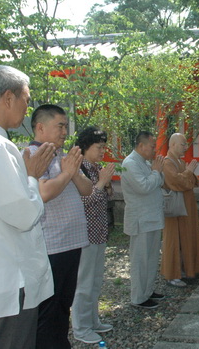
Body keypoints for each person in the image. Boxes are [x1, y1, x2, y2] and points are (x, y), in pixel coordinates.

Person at [0, 65, 55, 349]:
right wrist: (32, 175)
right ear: (8, 98)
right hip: (6, 283)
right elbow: (23, 215)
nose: (27, 108)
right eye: (26, 99)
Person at [28, 104, 92, 349]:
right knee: (49, 309)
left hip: (71, 243)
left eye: (66, 126)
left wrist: (72, 172)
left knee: (63, 305)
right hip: (51, 246)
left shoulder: (61, 157)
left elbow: (88, 190)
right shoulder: (33, 154)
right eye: (60, 126)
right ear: (41, 127)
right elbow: (43, 192)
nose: (65, 131)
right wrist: (67, 174)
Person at [71, 127, 115, 344]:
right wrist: (100, 183)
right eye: (99, 147)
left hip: (99, 232)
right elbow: (84, 202)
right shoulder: (78, 170)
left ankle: (93, 320)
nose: (102, 151)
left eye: (103, 147)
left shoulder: (95, 168)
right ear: (86, 147)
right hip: (85, 235)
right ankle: (80, 327)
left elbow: (105, 197)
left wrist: (106, 183)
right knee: (84, 282)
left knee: (96, 281)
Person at [121, 131, 166, 309]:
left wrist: (156, 172)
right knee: (140, 259)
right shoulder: (130, 163)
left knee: (152, 257)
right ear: (141, 146)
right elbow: (144, 186)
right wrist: (155, 172)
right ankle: (138, 297)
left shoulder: (145, 162)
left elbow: (159, 181)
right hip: (141, 219)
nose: (154, 149)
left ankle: (147, 290)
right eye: (152, 146)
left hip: (152, 217)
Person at [160, 133, 199, 287]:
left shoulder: (179, 161)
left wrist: (188, 174)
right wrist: (188, 172)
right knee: (173, 239)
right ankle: (172, 275)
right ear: (172, 145)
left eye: (186, 144)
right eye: (183, 144)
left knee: (186, 237)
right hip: (174, 208)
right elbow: (177, 182)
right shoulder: (167, 163)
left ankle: (186, 270)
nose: (186, 147)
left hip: (186, 207)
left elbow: (192, 182)